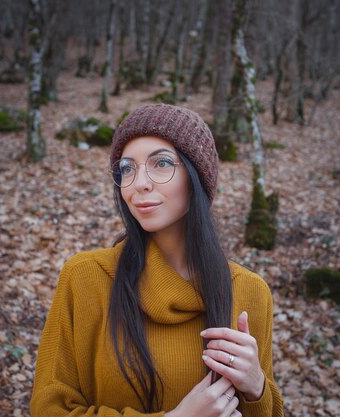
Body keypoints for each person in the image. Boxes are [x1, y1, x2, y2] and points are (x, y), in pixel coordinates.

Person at [31, 104, 284, 417]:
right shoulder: (85, 278)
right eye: (127, 168)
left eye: (161, 163)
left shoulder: (250, 292)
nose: (139, 183)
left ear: (197, 178)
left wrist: (256, 386)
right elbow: (49, 408)